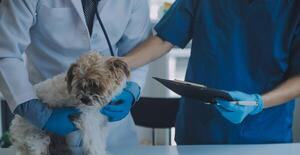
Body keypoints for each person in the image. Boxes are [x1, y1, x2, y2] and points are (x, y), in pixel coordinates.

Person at [124, 0, 300, 144]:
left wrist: (258, 103)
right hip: (200, 132)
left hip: (265, 135)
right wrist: (121, 63)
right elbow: (165, 39)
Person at [0, 0, 151, 146]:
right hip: (48, 111)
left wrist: (131, 88)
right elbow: (5, 51)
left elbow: (137, 52)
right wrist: (34, 110)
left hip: (111, 130)